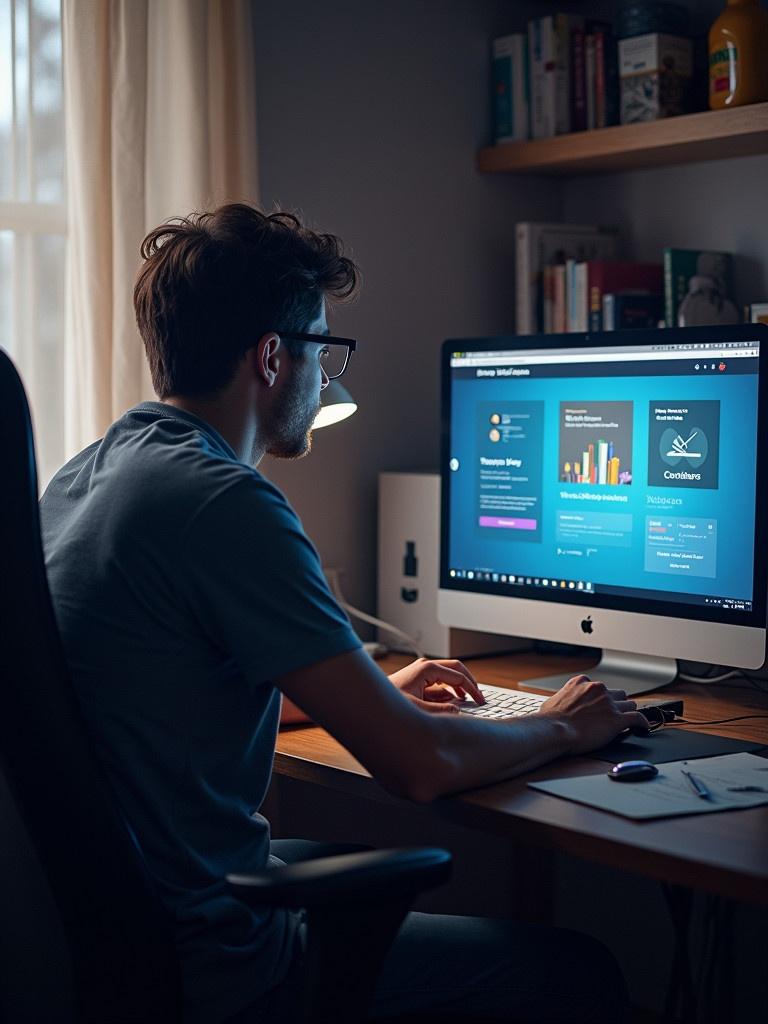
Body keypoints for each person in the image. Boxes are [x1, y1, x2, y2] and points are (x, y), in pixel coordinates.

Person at [40, 203, 645, 1024]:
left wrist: (373, 689)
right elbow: (418, 768)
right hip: (212, 960)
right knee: (579, 971)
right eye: (324, 352)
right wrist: (568, 727)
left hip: (110, 930)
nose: (329, 379)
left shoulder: (90, 475)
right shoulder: (223, 502)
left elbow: (163, 697)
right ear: (271, 357)